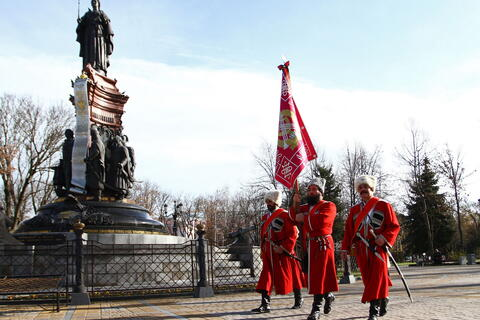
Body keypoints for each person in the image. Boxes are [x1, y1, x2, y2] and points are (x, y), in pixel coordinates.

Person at [341, 175, 400, 320]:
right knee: (368, 280)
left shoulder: (383, 205)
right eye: (360, 188)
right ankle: (383, 298)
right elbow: (348, 231)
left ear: (371, 188)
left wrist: (384, 237)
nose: (363, 190)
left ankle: (373, 311)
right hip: (361, 249)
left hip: (377, 248)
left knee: (377, 278)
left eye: (365, 187)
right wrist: (345, 248)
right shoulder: (354, 210)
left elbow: (394, 226)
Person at [292, 178, 338, 320]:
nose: (311, 192)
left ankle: (316, 309)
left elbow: (322, 221)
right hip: (309, 245)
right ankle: (327, 294)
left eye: (314, 189)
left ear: (321, 192)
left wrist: (304, 217)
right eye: (309, 189)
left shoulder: (329, 205)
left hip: (322, 243)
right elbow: (292, 217)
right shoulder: (305, 207)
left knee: (318, 276)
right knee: (312, 276)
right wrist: (295, 202)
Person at [252, 190, 304, 313]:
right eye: (267, 202)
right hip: (269, 252)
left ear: (276, 202)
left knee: (293, 276)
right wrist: (262, 249)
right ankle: (265, 304)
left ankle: (299, 298)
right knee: (266, 277)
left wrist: (284, 248)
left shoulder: (285, 215)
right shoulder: (265, 217)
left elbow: (293, 233)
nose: (268, 204)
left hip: (283, 252)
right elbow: (263, 235)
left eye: (270, 201)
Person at [76, 0, 114, 75]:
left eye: (95, 1)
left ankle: (99, 68)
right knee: (89, 53)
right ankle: (88, 67)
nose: (94, 2)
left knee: (98, 52)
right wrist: (80, 23)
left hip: (99, 37)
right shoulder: (87, 15)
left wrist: (109, 37)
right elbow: (82, 26)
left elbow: (108, 26)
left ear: (98, 3)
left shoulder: (101, 13)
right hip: (89, 38)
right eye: (92, 1)